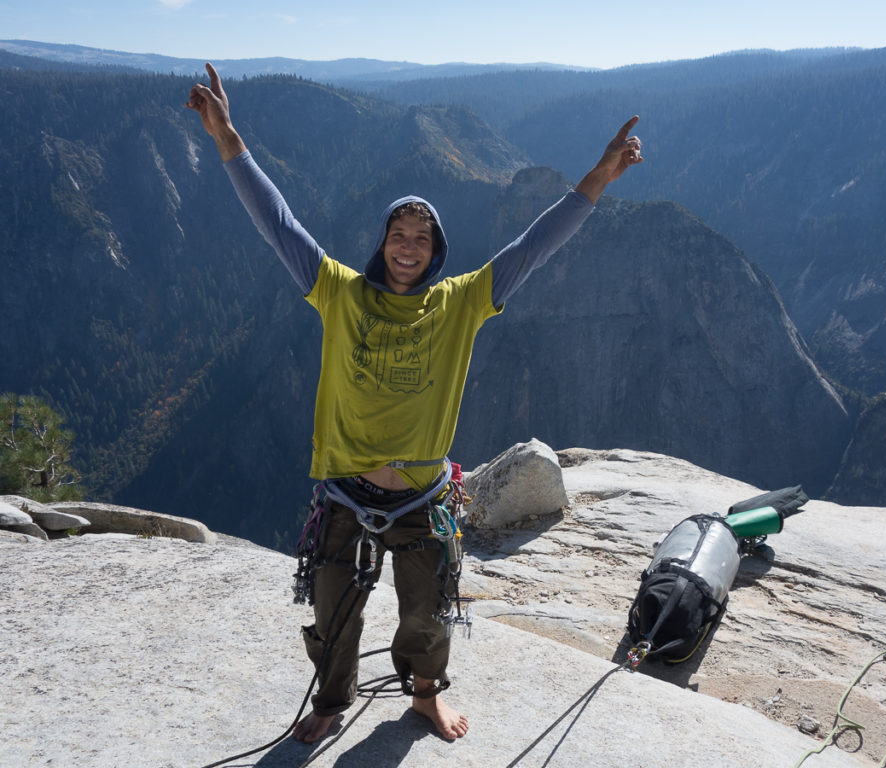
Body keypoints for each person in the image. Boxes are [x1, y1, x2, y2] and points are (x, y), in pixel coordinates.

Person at [185, 62, 642, 744]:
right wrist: (228, 139)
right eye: (398, 233)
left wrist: (597, 180)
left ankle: (425, 698)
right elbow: (276, 222)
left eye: (421, 237)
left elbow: (533, 248)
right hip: (346, 492)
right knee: (335, 609)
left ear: (436, 253)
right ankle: (332, 700)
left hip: (423, 498)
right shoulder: (339, 292)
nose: (408, 244)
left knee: (426, 615)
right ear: (381, 242)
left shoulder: (461, 302)